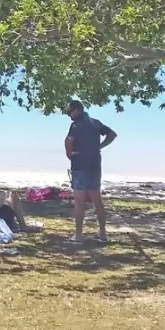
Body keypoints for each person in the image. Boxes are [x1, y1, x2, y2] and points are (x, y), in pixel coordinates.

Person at [64, 99, 118, 243]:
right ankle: (102, 233)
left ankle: (78, 235)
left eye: (70, 112)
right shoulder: (96, 123)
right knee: (97, 201)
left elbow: (68, 141)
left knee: (79, 202)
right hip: (95, 166)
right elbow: (112, 134)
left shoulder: (75, 125)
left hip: (80, 167)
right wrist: (100, 147)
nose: (69, 115)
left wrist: (69, 155)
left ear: (76, 110)